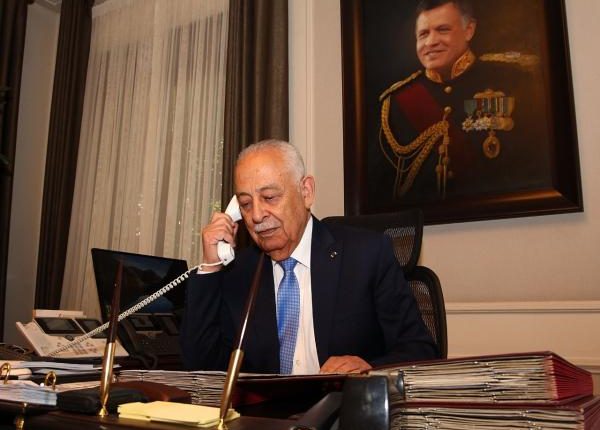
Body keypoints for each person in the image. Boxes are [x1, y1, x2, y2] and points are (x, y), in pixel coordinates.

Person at [180, 139, 438, 375]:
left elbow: (421, 350)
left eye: (269, 197)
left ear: (306, 192)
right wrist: (211, 267)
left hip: (343, 406)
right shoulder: (241, 271)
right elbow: (201, 365)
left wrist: (370, 370)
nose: (256, 215)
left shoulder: (366, 255)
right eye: (246, 204)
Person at [379, 0, 551, 203]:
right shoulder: (397, 101)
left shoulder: (511, 81)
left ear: (469, 30)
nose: (431, 42)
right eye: (423, 34)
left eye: (443, 30)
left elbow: (535, 160)